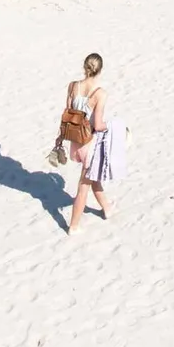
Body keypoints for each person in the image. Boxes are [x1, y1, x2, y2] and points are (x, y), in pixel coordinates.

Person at [54, 52, 120, 234]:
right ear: (100, 70)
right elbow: (97, 125)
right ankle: (73, 226)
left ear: (84, 67)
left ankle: (107, 208)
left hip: (75, 141)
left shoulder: (73, 86)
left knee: (92, 178)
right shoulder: (100, 94)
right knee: (83, 187)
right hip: (90, 143)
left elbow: (67, 115)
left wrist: (60, 138)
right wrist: (113, 126)